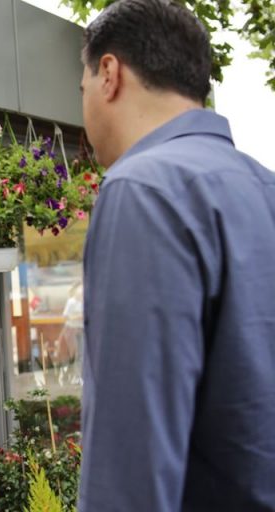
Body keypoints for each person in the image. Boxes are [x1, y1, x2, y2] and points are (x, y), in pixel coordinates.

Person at [78, 1, 275, 510]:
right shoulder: (263, 186)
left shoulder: (143, 189)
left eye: (81, 90)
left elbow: (131, 463)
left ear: (108, 74)